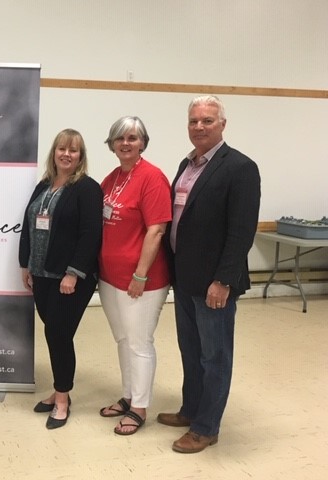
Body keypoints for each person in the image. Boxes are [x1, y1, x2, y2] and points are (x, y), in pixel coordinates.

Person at [158, 95, 260, 453]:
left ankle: (206, 428)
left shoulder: (240, 168)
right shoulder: (186, 166)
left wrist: (224, 281)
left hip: (215, 283)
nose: (199, 127)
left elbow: (241, 231)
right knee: (191, 350)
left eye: (207, 120)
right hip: (185, 279)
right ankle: (191, 409)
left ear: (222, 125)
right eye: (193, 121)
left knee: (214, 356)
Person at [19, 128, 103, 430]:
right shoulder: (43, 185)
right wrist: (25, 264)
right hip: (41, 274)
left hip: (69, 278)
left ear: (81, 156)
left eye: (74, 150)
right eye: (62, 149)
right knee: (53, 333)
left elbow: (90, 235)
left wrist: (73, 273)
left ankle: (63, 399)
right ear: (54, 152)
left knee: (60, 334)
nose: (66, 154)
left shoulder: (87, 188)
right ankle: (59, 389)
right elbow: (28, 223)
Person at [97, 116, 172, 435]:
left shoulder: (152, 177)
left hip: (142, 279)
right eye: (119, 138)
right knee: (123, 339)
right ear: (111, 144)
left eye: (132, 138)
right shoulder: (111, 178)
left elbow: (156, 230)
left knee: (140, 342)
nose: (125, 143)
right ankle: (128, 397)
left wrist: (140, 275)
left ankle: (140, 407)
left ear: (142, 143)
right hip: (109, 277)